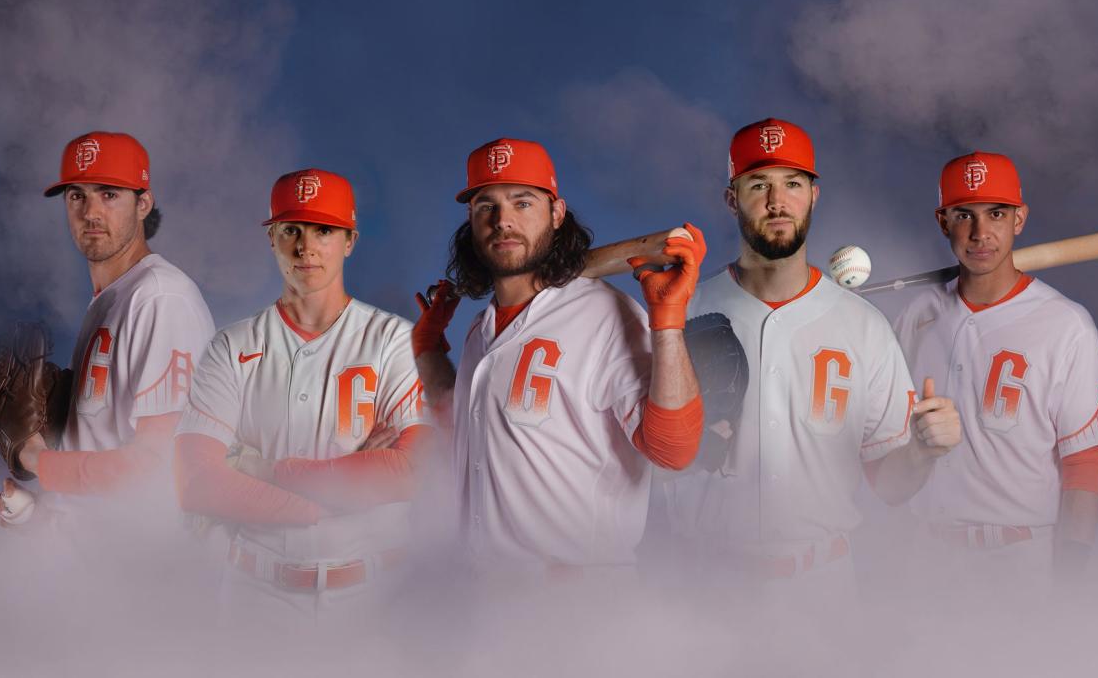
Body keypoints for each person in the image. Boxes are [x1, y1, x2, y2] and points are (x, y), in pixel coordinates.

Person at [662, 118, 961, 599]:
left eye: (793, 184)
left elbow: (890, 484)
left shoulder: (864, 328)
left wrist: (923, 453)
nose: (778, 202)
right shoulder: (682, 310)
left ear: (814, 195)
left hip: (821, 589)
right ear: (732, 198)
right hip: (706, 586)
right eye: (759, 184)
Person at [412, 137, 705, 580]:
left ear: (557, 212)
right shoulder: (480, 330)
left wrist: (667, 325)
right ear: (470, 222)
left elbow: (673, 449)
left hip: (576, 603)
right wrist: (428, 347)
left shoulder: (606, 315)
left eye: (523, 202)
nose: (503, 221)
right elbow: (467, 426)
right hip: (483, 606)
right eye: (485, 206)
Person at [174, 168, 431, 620]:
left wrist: (259, 471)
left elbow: (411, 471)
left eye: (323, 230)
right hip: (256, 595)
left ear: (349, 240)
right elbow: (196, 482)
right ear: (271, 238)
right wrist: (348, 482)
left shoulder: (392, 339)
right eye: (291, 229)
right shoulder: (232, 346)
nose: (305, 246)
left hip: (374, 597)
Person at [893, 152, 1098, 594]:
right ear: (943, 222)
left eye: (996, 214)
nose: (981, 234)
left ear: (1019, 219)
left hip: (1019, 563)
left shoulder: (1066, 324)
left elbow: (1083, 465)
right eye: (965, 215)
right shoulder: (916, 316)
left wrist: (1069, 581)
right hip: (924, 561)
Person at [0, 131, 214, 527]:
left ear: (143, 203)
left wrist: (35, 457)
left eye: (109, 194)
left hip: (132, 574)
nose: (91, 212)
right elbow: (104, 451)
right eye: (77, 196)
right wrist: (39, 514)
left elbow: (159, 470)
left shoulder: (162, 300)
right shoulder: (112, 298)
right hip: (92, 560)